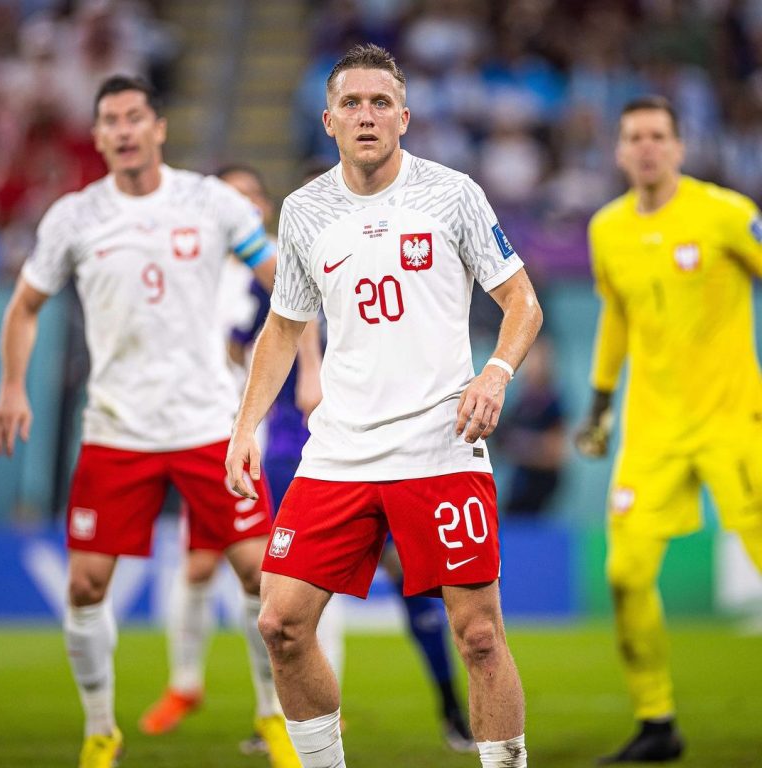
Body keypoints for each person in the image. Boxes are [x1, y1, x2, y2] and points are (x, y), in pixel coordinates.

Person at [226, 44, 543, 768]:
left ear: (404, 116)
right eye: (351, 103)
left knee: (479, 635)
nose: (366, 115)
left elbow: (521, 302)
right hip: (340, 451)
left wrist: (495, 374)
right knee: (280, 624)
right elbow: (285, 326)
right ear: (328, 119)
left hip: (440, 445)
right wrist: (244, 427)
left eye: (380, 103)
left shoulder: (453, 194)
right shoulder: (304, 210)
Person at [0, 75, 302, 768]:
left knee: (261, 575)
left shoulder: (211, 201)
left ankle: (271, 715)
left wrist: (310, 356)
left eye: (135, 116)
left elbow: (282, 282)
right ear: (98, 136)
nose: (125, 129)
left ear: (158, 127)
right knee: (85, 585)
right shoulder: (74, 217)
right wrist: (13, 386)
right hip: (117, 430)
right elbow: (24, 307)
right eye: (111, 120)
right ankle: (102, 729)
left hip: (208, 426)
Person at [575, 95, 762, 764]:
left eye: (658, 135)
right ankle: (657, 722)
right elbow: (616, 318)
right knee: (625, 573)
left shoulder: (726, 213)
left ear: (680, 147)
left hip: (734, 422)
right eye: (634, 137)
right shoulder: (607, 229)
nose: (647, 147)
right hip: (651, 432)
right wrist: (600, 402)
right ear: (619, 152)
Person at [138, 165, 327, 761]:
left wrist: (311, 372)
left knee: (260, 571)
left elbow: (298, 314)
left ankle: (277, 711)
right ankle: (186, 685)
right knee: (198, 566)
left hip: (247, 433)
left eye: (250, 195)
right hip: (192, 431)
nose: (242, 206)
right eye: (231, 195)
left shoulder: (266, 262)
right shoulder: (191, 260)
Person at [496, 334, 566, 517]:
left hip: (540, 495)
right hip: (516, 489)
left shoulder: (552, 403)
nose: (530, 364)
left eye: (536, 358)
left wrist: (521, 445)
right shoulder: (519, 402)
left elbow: (557, 451)